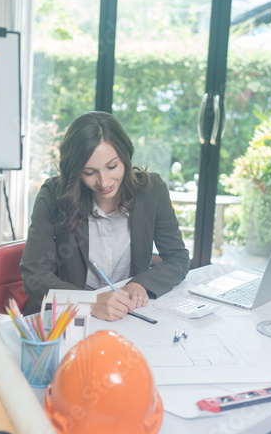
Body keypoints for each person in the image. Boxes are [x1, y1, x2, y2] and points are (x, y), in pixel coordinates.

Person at [20, 111, 190, 320]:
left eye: (112, 166)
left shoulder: (152, 192)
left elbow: (177, 258)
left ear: (125, 158)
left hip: (127, 314)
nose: (104, 181)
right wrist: (90, 303)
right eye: (89, 172)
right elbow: (34, 274)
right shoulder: (53, 195)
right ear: (76, 170)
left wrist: (141, 283)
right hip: (71, 317)